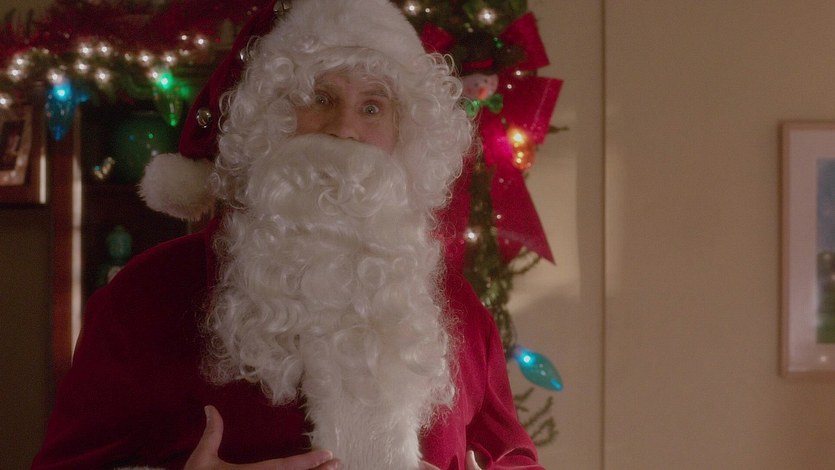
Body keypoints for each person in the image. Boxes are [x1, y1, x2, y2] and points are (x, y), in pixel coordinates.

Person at [32, 0, 544, 469]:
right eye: (320, 97)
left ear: (404, 134)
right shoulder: (147, 295)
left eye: (372, 107)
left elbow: (516, 459)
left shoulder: (457, 309)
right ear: (269, 118)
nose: (345, 129)